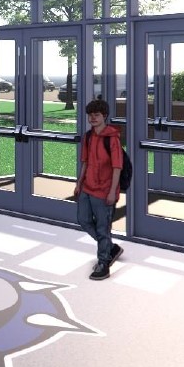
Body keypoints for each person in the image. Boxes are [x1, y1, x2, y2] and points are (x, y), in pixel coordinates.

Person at [73, 99, 124, 281]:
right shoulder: (88, 137)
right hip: (87, 187)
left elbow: (117, 167)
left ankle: (104, 262)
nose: (92, 118)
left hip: (104, 190)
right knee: (83, 220)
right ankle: (109, 247)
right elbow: (85, 162)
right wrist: (79, 183)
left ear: (105, 117)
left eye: (97, 115)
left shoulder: (112, 139)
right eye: (90, 115)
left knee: (103, 228)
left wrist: (112, 192)